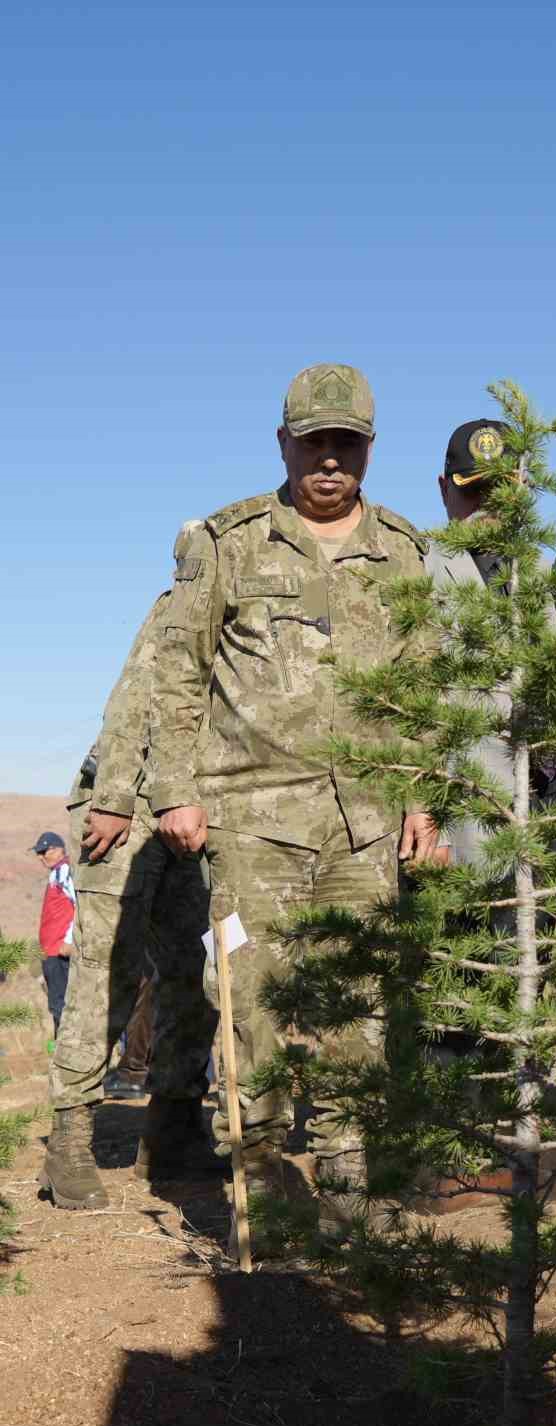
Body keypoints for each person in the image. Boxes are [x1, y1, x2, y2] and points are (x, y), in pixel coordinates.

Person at [148, 364, 442, 1255]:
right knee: (251, 1006)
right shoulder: (228, 541)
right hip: (252, 818)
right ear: (283, 443)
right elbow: (177, 668)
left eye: (345, 443)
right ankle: (265, 1184)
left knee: (364, 1003)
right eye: (313, 442)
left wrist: (422, 794)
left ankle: (355, 1180)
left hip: (364, 819)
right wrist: (175, 788)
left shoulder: (403, 550)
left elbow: (423, 686)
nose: (328, 460)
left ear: (368, 448)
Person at [40, 586, 222, 1212]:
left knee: (196, 972)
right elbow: (134, 696)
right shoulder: (189, 601)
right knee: (107, 971)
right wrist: (114, 797)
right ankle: (70, 1134)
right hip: (134, 805)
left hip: (203, 812)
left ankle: (173, 1128)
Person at [32, 833, 74, 1037]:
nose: (40, 857)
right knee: (57, 1004)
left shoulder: (64, 871)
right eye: (38, 853)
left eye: (43, 851)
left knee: (62, 1006)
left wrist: (69, 940)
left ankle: (66, 1057)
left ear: (58, 849)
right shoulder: (55, 873)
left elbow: (80, 906)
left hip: (59, 951)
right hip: (50, 952)